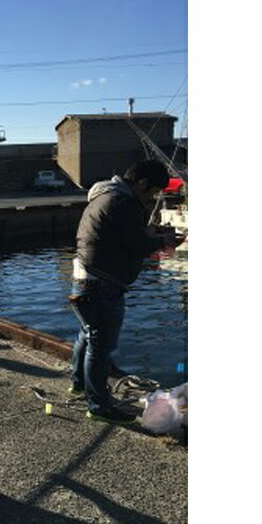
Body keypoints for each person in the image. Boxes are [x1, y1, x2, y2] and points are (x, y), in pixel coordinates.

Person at [69, 159, 185, 425]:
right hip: (102, 283)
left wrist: (153, 233)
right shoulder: (124, 202)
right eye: (153, 191)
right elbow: (138, 244)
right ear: (142, 183)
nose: (153, 198)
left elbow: (121, 235)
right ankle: (98, 405)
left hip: (83, 278)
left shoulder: (105, 195)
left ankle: (78, 384)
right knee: (100, 346)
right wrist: (166, 240)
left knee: (87, 336)